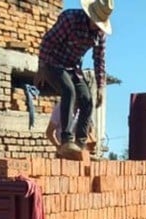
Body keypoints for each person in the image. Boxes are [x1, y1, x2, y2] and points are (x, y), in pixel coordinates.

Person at [36, 0, 112, 161]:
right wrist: (41, 67)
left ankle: (80, 145)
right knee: (69, 91)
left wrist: (100, 87)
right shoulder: (70, 20)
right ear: (89, 16)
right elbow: (47, 42)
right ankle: (66, 141)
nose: (97, 28)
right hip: (53, 62)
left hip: (73, 68)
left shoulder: (100, 34)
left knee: (87, 99)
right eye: (96, 23)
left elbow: (99, 60)